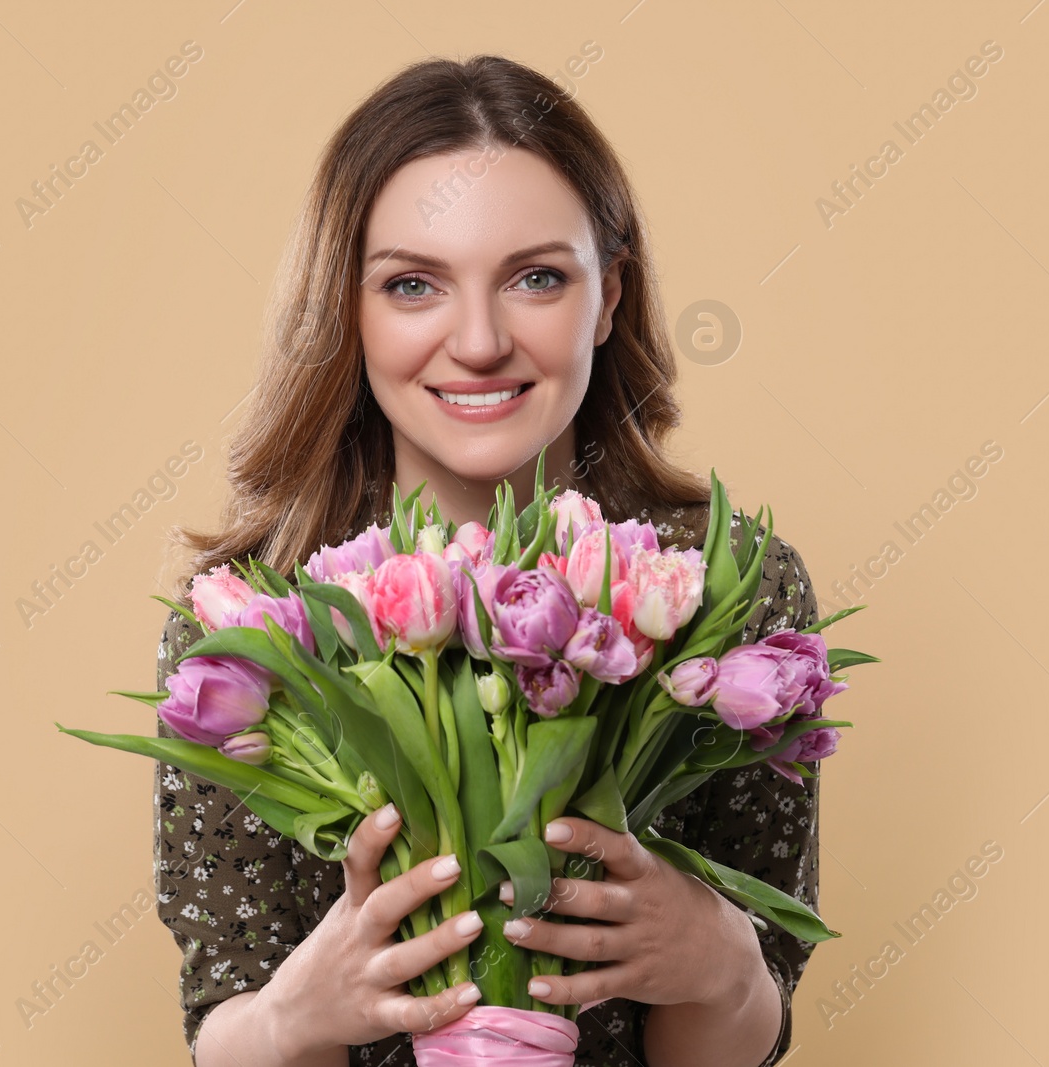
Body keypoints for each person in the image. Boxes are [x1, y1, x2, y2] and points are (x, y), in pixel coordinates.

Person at [151, 54, 823, 1067]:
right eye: (412, 283)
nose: (476, 340)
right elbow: (224, 1019)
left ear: (608, 297)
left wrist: (721, 961)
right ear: (348, 308)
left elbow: (730, 1038)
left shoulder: (717, 587)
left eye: (537, 277)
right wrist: (296, 1012)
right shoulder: (253, 615)